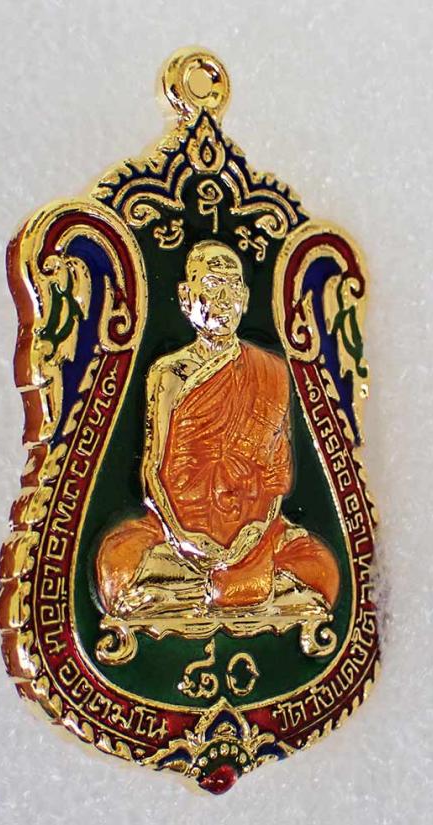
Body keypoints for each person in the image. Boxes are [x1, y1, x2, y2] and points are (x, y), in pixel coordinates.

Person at [96, 240, 339, 618]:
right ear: (185, 296)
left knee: (322, 568)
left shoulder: (271, 371)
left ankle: (194, 593)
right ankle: (236, 590)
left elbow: (275, 477)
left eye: (233, 287)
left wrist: (255, 533)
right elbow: (152, 468)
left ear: (245, 298)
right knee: (119, 562)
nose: (224, 300)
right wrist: (184, 539)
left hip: (254, 532)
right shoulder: (169, 374)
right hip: (178, 532)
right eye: (212, 285)